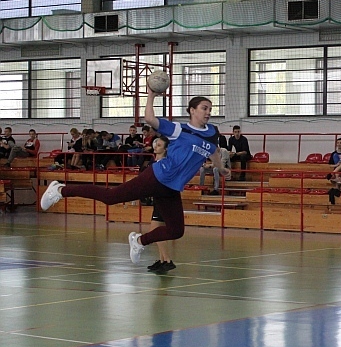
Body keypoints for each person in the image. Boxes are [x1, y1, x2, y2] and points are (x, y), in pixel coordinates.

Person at [40, 88, 229, 265]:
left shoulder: (212, 133)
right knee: (110, 197)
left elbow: (213, 152)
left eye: (210, 109)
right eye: (204, 108)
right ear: (192, 110)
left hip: (172, 188)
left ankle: (138, 241)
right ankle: (60, 190)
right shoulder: (179, 129)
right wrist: (151, 95)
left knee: (176, 230)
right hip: (157, 176)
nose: (208, 112)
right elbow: (150, 118)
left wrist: (220, 168)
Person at [145, 136, 176, 274]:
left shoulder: (164, 164)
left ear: (165, 149)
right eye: (155, 144)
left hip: (163, 200)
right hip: (157, 199)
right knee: (157, 233)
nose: (156, 146)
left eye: (159, 145)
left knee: (155, 232)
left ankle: (168, 261)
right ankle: (162, 260)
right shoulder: (154, 162)